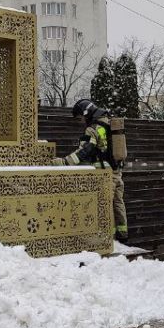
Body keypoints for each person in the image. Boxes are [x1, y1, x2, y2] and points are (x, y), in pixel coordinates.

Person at [55, 99, 127, 242]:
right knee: (118, 203)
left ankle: (109, 237)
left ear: (85, 113)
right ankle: (123, 233)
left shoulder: (93, 128)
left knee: (105, 203)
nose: (81, 121)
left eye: (80, 118)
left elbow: (85, 151)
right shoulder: (110, 123)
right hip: (117, 171)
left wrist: (64, 162)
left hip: (104, 173)